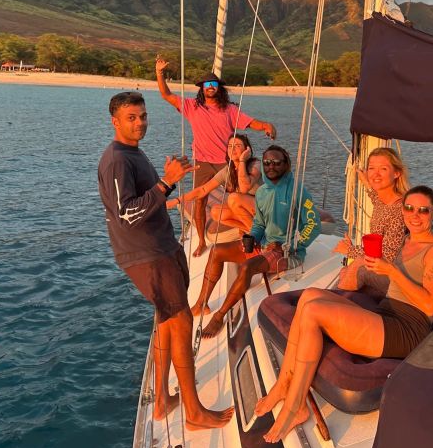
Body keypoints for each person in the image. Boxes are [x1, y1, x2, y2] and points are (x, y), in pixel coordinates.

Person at [256, 185, 433, 443]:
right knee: (310, 296)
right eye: (409, 208)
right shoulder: (409, 240)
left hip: (406, 330)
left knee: (313, 311)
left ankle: (296, 406)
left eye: (423, 210)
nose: (415, 215)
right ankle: (283, 384)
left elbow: (429, 306)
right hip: (387, 314)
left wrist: (392, 272)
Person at [97, 91, 233, 430]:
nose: (140, 122)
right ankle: (194, 412)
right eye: (132, 117)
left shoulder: (132, 153)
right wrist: (167, 181)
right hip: (146, 254)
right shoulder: (116, 159)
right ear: (115, 122)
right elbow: (127, 214)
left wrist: (169, 181)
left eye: (143, 115)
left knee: (167, 320)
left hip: (161, 246)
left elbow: (146, 199)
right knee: (181, 320)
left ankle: (161, 401)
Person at [192, 145, 321, 338]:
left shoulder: (297, 191)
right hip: (265, 244)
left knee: (246, 268)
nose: (271, 166)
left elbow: (313, 223)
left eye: (277, 162)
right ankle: (202, 303)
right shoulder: (262, 192)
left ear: (286, 164)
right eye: (267, 162)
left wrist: (291, 244)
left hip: (286, 252)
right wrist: (252, 238)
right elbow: (259, 223)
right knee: (217, 251)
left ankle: (219, 316)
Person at [155, 58, 277, 256]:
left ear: (219, 88)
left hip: (225, 162)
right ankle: (202, 240)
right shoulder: (192, 106)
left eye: (213, 84)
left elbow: (250, 122)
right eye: (206, 85)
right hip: (203, 161)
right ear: (202, 89)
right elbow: (166, 95)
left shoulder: (230, 110)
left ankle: (251, 234)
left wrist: (266, 126)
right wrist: (159, 73)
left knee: (239, 195)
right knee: (201, 200)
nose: (210, 87)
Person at [334, 147, 408, 293]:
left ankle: (334, 301)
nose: (376, 174)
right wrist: (366, 183)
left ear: (397, 173)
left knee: (354, 267)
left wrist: (350, 250)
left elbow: (388, 254)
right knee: (344, 271)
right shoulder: (384, 200)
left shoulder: (399, 209)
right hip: (383, 265)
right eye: (371, 168)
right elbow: (376, 199)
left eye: (383, 169)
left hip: (396, 274)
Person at [166, 133, 262, 233]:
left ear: (247, 150)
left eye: (237, 146)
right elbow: (203, 190)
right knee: (216, 212)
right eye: (230, 146)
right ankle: (248, 229)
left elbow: (244, 187)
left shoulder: (255, 165)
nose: (232, 149)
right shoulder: (228, 171)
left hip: (264, 209)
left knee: (233, 198)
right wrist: (176, 201)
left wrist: (242, 161)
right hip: (249, 212)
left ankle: (256, 234)